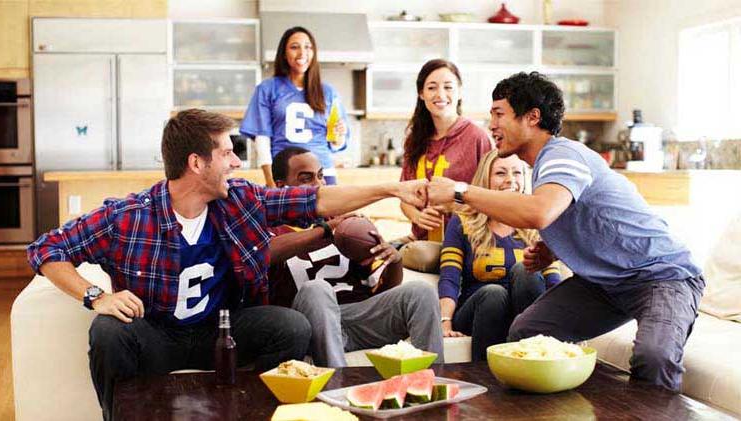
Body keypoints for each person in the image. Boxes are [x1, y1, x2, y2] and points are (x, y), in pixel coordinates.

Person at [27, 109, 427, 420]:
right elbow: (47, 249)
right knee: (109, 331)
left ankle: (255, 415)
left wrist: (390, 187)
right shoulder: (129, 216)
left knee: (290, 326)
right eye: (227, 153)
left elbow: (315, 200)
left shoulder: (239, 200)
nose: (236, 163)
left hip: (222, 332)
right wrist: (95, 296)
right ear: (196, 163)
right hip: (158, 335)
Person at [427, 72, 704, 391]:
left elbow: (539, 211)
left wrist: (460, 191)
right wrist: (553, 248)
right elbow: (587, 215)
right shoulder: (547, 166)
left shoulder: (562, 155)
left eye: (499, 113)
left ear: (532, 117)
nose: (491, 124)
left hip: (662, 277)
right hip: (604, 284)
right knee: (528, 333)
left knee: (654, 356)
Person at [266, 146, 444, 367]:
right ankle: (337, 385)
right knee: (317, 289)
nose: (318, 185)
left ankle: (433, 383)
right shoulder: (269, 229)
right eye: (306, 179)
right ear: (281, 187)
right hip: (309, 324)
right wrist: (323, 231)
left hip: (360, 317)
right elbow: (264, 254)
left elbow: (383, 289)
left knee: (421, 291)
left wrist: (394, 260)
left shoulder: (346, 222)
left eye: (321, 176)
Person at [438, 150, 561, 361]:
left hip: (524, 311)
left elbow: (552, 281)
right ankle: (486, 376)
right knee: (494, 293)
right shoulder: (462, 222)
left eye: (517, 173)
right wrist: (445, 321)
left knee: (525, 269)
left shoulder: (538, 223)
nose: (510, 180)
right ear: (486, 179)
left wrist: (562, 322)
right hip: (479, 310)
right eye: (501, 173)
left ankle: (534, 358)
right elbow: (449, 277)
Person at [241, 26, 349, 187]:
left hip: (323, 173)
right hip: (286, 175)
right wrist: (270, 179)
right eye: (294, 47)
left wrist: (339, 135)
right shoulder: (268, 89)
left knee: (326, 213)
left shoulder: (328, 92)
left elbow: (336, 144)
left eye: (308, 47)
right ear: (284, 53)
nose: (302, 53)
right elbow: (262, 137)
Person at [399, 59, 492, 244]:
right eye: (432, 88)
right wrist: (418, 217)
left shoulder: (477, 138)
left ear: (459, 92)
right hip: (422, 242)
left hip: (467, 243)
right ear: (421, 94)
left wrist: (453, 207)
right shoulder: (415, 139)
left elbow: (493, 200)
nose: (440, 94)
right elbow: (404, 199)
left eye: (448, 87)